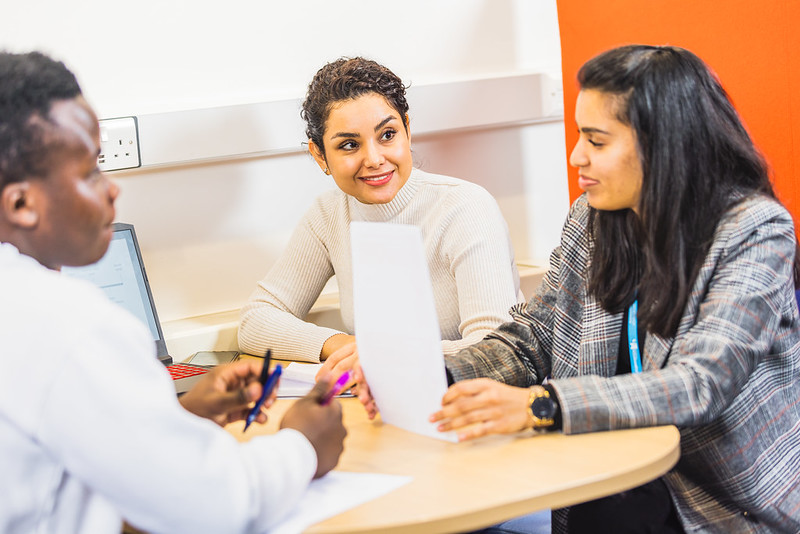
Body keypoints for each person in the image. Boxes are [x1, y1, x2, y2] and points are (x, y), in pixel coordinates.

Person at [358, 45, 800, 533]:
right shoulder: (590, 218)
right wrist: (437, 375)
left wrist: (540, 405)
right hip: (601, 479)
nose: (576, 156)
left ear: (664, 144)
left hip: (716, 504)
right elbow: (534, 340)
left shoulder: (754, 230)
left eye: (596, 140)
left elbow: (701, 383)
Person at [0, 51, 347, 534]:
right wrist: (304, 445)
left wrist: (177, 418)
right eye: (89, 172)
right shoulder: (66, 324)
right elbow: (214, 508)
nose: (111, 189)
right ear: (20, 204)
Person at [238, 57, 522, 371]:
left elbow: (493, 349)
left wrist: (384, 355)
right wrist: (349, 347)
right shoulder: (328, 215)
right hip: (383, 399)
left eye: (387, 135)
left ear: (408, 131)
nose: (374, 159)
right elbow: (256, 320)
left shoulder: (466, 207)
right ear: (320, 155)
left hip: (473, 402)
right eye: (349, 144)